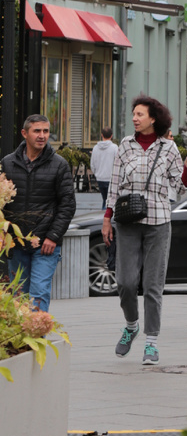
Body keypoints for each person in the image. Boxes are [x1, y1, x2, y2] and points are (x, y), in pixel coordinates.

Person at [103, 95, 187, 366]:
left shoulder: (168, 148)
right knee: (125, 282)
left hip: (158, 222)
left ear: (153, 118)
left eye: (140, 114)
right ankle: (131, 325)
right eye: (134, 114)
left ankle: (151, 342)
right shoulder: (124, 145)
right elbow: (114, 185)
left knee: (152, 285)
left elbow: (180, 187)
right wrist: (107, 218)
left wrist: (186, 167)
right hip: (126, 222)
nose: (134, 118)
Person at [1, 114, 76, 311]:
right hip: (17, 242)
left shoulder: (59, 165)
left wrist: (53, 236)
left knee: (39, 293)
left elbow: (67, 205)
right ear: (25, 133)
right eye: (37, 131)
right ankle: (21, 341)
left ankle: (37, 338)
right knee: (18, 294)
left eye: (45, 131)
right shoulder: (7, 163)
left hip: (46, 244)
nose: (42, 136)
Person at [90, 127, 118, 208]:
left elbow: (92, 164)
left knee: (105, 199)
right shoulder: (114, 148)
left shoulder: (95, 148)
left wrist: (97, 174)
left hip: (100, 178)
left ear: (101, 135)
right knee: (110, 201)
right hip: (111, 178)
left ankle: (103, 215)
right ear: (111, 135)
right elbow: (118, 163)